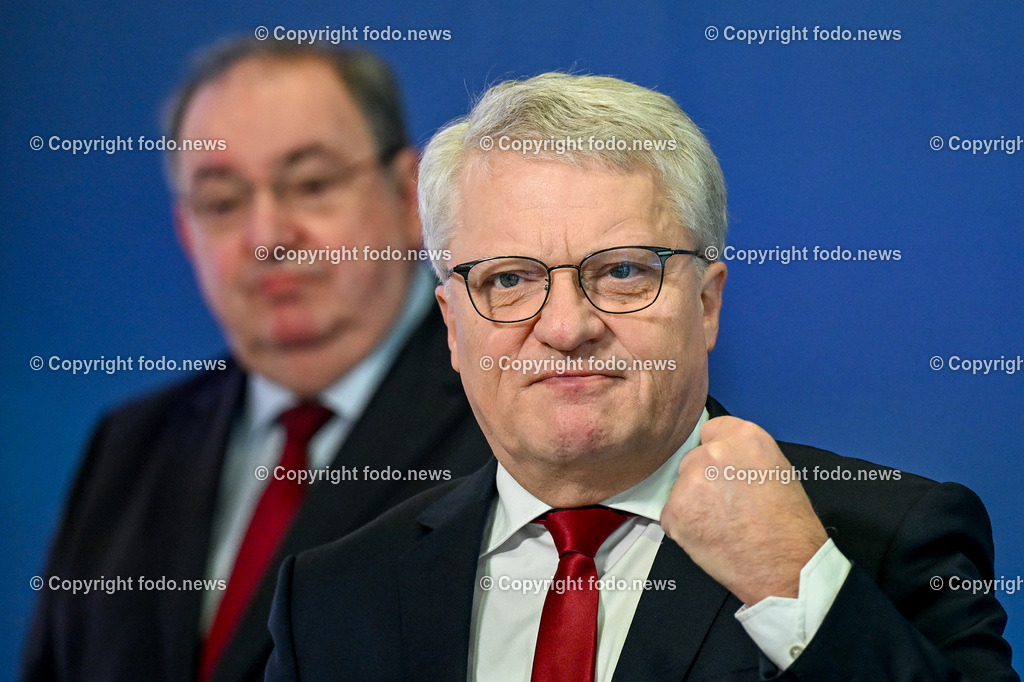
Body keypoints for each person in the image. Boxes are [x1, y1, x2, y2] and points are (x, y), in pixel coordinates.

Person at [263, 73, 1018, 680]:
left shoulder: (885, 540)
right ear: (453, 326)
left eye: (622, 272)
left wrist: (797, 586)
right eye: (508, 280)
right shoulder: (333, 597)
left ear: (709, 301)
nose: (565, 328)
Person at [21, 38, 488, 682]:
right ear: (186, 234)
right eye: (221, 202)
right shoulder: (130, 447)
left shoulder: (504, 419)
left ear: (412, 199)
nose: (267, 237)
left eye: (311, 184)